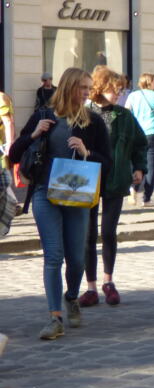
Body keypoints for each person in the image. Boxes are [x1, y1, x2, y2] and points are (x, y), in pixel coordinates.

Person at [10, 68, 113, 340]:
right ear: (68, 87)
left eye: (89, 88)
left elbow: (108, 163)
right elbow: (14, 153)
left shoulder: (93, 122)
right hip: (45, 193)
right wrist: (33, 135)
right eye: (82, 88)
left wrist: (87, 152)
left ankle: (71, 297)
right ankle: (54, 317)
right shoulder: (43, 116)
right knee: (53, 256)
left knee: (77, 259)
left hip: (78, 195)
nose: (86, 93)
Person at [80, 67, 147, 308]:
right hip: (88, 180)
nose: (118, 93)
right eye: (113, 89)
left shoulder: (124, 115)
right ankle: (90, 286)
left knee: (108, 232)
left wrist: (139, 167)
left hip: (116, 179)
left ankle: (109, 282)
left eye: (120, 89)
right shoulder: (85, 113)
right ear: (99, 88)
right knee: (88, 235)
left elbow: (141, 143)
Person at [124, 73, 154, 206]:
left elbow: (126, 112)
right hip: (153, 133)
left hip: (137, 133)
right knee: (152, 166)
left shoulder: (132, 95)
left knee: (136, 162)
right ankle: (146, 198)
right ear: (151, 82)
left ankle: (133, 189)